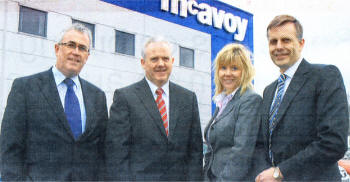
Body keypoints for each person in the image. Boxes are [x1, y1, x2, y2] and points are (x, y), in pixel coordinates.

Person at [0, 23, 108, 181]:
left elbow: (102, 151)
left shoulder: (97, 96)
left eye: (82, 48)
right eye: (71, 45)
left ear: (87, 56)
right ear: (57, 49)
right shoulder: (25, 88)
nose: (76, 52)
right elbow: (10, 150)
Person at [254, 15, 349, 181]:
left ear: (301, 43)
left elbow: (334, 142)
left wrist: (280, 172)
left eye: (286, 40)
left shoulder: (324, 76)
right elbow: (265, 145)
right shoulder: (269, 91)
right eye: (273, 41)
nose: (279, 47)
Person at [105, 37, 203, 181]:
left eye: (165, 58)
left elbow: (195, 152)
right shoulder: (125, 97)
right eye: (154, 59)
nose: (161, 64)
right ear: (143, 63)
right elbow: (117, 154)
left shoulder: (188, 98)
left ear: (172, 62)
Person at [203, 43, 262, 181]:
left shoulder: (250, 100)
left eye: (234, 68)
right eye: (223, 68)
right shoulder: (222, 102)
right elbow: (211, 149)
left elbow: (241, 153)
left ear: (245, 71)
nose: (227, 73)